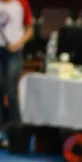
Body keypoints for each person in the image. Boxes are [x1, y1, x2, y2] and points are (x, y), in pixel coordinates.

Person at [0, 0, 33, 135]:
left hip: (14, 51)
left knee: (11, 91)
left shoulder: (21, 3)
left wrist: (18, 44)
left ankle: (17, 129)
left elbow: (30, 29)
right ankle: (1, 129)